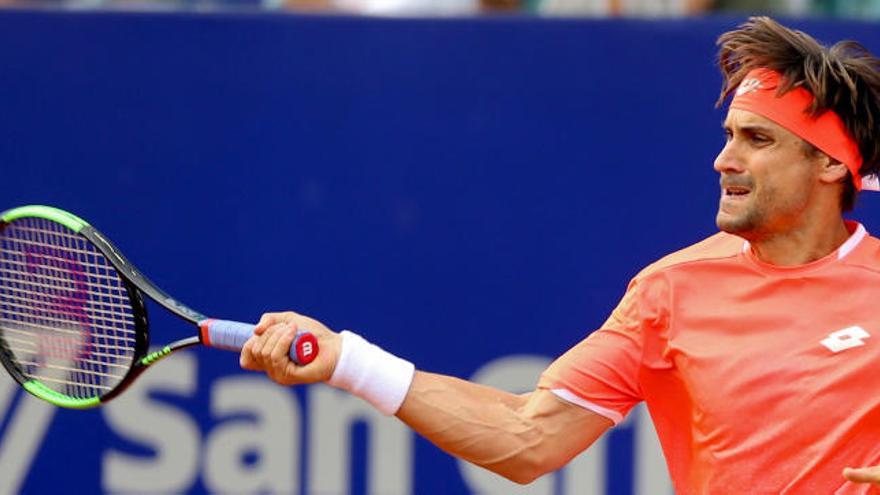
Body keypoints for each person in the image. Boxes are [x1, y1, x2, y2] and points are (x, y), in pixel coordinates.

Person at [240, 16, 880, 493]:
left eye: (758, 140)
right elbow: (528, 437)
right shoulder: (672, 291)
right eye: (729, 136)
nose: (725, 159)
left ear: (829, 163)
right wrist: (347, 361)